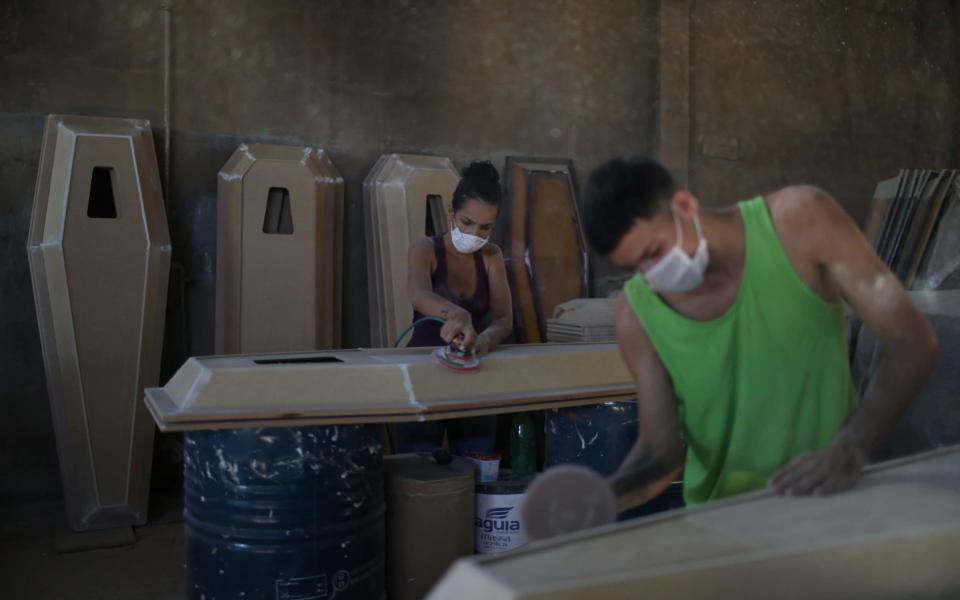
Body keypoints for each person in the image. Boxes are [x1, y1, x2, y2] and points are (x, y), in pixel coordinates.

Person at [582, 155, 938, 510]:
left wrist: (850, 448)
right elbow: (660, 452)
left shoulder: (800, 223)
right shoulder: (636, 315)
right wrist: (601, 498)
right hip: (723, 520)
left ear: (685, 205)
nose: (652, 274)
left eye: (654, 252)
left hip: (827, 500)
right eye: (636, 267)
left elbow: (912, 342)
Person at [392, 161, 514, 454]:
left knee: (478, 464)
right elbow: (418, 294)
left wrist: (484, 339)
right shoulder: (425, 249)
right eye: (467, 222)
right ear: (450, 212)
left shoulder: (491, 256)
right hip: (423, 376)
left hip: (471, 373)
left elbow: (504, 318)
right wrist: (458, 314)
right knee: (418, 469)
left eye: (486, 227)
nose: (475, 233)